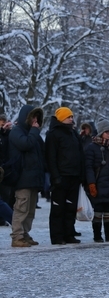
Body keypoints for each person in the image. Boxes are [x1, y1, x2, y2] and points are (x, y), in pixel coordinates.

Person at [45, 107, 85, 245]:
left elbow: (80, 154)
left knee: (70, 208)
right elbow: (51, 157)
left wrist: (81, 174)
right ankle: (57, 236)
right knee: (58, 208)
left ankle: (69, 234)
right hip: (61, 177)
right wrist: (55, 177)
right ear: (62, 118)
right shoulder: (54, 134)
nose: (71, 119)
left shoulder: (73, 133)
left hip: (74, 176)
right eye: (69, 117)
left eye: (72, 117)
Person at [8, 105, 45, 247]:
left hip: (33, 178)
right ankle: (17, 236)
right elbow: (26, 144)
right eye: (33, 117)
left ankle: (25, 234)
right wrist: (35, 131)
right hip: (22, 177)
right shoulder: (17, 132)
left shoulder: (32, 133)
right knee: (21, 208)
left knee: (30, 210)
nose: (35, 120)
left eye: (37, 117)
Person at [85, 119, 109, 243]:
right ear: (100, 133)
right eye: (106, 132)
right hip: (98, 183)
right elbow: (88, 167)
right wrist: (91, 183)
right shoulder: (92, 148)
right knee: (98, 211)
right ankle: (97, 235)